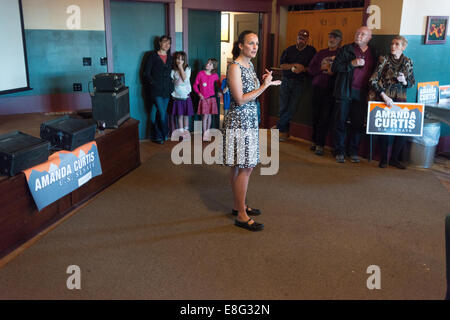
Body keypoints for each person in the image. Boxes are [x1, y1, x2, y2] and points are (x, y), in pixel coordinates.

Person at [223, 30, 281, 232]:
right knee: (245, 167)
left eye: (257, 43)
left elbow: (252, 92)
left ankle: (238, 205)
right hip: (239, 121)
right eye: (250, 43)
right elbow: (240, 99)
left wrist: (267, 83)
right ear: (240, 45)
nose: (255, 46)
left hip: (249, 120)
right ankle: (241, 215)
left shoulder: (249, 65)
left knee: (240, 167)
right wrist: (264, 86)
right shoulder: (235, 67)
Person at [332, 26, 378, 163]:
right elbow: (335, 68)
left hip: (362, 93)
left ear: (369, 38)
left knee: (357, 123)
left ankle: (353, 151)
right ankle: (339, 151)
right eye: (357, 33)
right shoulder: (346, 49)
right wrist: (351, 63)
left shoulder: (374, 52)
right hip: (345, 90)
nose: (359, 35)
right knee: (340, 122)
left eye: (363, 34)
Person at [369, 36, 415, 169]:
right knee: (384, 130)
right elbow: (373, 80)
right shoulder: (384, 59)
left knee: (401, 130)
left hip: (401, 98)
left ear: (403, 47)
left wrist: (404, 81)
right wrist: (384, 96)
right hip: (385, 97)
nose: (393, 46)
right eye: (392, 44)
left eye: (397, 44)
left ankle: (394, 158)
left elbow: (412, 82)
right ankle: (384, 158)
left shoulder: (408, 61)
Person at [275, 29, 316, 141]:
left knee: (292, 108)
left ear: (307, 39)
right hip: (286, 80)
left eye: (304, 37)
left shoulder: (311, 51)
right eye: (300, 37)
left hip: (300, 82)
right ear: (297, 38)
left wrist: (303, 69)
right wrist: (294, 65)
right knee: (283, 107)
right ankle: (284, 132)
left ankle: (279, 126)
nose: (301, 39)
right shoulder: (289, 50)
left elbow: (313, 68)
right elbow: (282, 65)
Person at [308, 29, 343, 155]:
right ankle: (314, 140)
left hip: (331, 89)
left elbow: (343, 71)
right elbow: (311, 70)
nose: (332, 39)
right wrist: (321, 68)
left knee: (326, 117)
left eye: (335, 37)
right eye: (330, 37)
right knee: (315, 116)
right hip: (317, 87)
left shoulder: (341, 54)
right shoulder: (321, 53)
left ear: (340, 40)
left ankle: (320, 144)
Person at [143, 35, 173, 144]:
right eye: (165, 42)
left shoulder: (170, 57)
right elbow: (146, 73)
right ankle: (165, 133)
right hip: (156, 91)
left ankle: (157, 136)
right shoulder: (152, 56)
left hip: (167, 90)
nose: (167, 45)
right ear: (160, 43)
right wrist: (153, 83)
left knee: (160, 113)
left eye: (169, 43)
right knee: (162, 113)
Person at [193, 58, 220, 141]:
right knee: (205, 116)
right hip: (204, 98)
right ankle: (204, 133)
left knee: (210, 115)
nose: (207, 64)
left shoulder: (215, 76)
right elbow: (195, 85)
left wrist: (220, 91)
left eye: (210, 64)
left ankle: (207, 132)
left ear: (213, 67)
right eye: (207, 63)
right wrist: (199, 94)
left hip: (212, 98)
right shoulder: (200, 74)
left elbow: (219, 85)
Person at [170, 51, 194, 141]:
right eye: (177, 59)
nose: (179, 61)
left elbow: (184, 79)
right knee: (179, 116)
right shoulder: (173, 71)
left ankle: (186, 133)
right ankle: (181, 134)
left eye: (181, 59)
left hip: (186, 96)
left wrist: (180, 67)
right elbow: (173, 82)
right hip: (177, 97)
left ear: (184, 60)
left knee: (186, 116)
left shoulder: (188, 69)